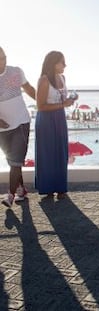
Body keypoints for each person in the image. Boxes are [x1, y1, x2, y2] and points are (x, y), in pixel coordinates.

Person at [35, 51, 77, 199]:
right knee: (48, 153)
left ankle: (60, 188)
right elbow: (40, 106)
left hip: (59, 118)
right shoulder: (44, 80)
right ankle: (47, 188)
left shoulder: (63, 78)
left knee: (61, 152)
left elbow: (62, 100)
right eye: (62, 62)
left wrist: (70, 100)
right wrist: (63, 104)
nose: (65, 65)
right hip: (46, 119)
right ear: (53, 63)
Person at [0, 46, 36, 207]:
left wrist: (42, 104)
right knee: (13, 161)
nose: (3, 61)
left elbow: (29, 89)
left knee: (15, 161)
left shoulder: (16, 71)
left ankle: (10, 195)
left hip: (21, 122)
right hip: (2, 128)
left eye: (4, 57)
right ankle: (21, 189)